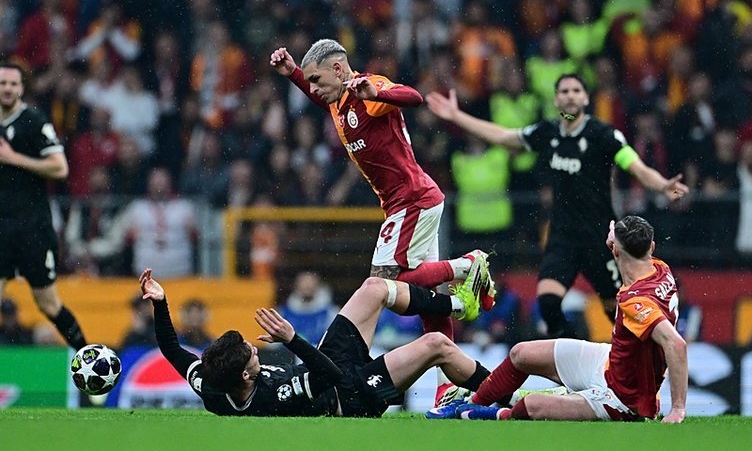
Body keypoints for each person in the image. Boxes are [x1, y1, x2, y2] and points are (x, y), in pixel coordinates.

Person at [271, 39, 494, 403]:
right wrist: (293, 72)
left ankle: (467, 265)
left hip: (411, 201)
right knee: (423, 299)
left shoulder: (367, 89)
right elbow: (320, 95)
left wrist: (377, 92)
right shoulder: (337, 101)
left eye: (316, 79)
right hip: (408, 203)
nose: (314, 89)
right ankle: (447, 387)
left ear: (338, 70)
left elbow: (414, 97)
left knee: (383, 287)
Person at [426, 75, 689, 339]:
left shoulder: (603, 135)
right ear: (555, 100)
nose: (570, 95)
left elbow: (636, 167)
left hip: (601, 239)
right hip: (562, 238)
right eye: (564, 91)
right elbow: (504, 136)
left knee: (618, 312)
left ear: (585, 98)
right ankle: (574, 354)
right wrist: (457, 116)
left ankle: (638, 355)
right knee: (548, 305)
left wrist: (663, 186)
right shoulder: (548, 132)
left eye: (576, 90)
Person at [429, 215, 688, 423]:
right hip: (610, 363)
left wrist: (677, 409)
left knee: (532, 405)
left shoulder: (637, 301)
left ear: (616, 250)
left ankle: (494, 413)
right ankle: (470, 404)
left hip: (622, 398)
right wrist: (616, 236)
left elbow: (676, 343)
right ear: (651, 247)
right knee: (521, 353)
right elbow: (628, 249)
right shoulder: (659, 267)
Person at [138, 265, 490, 417]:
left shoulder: (211, 382)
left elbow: (171, 349)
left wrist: (160, 302)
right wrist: (291, 338)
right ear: (245, 375)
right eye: (251, 355)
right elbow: (332, 376)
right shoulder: (274, 396)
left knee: (373, 288)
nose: (255, 350)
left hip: (324, 361)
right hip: (351, 395)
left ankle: (460, 305)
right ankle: (503, 394)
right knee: (436, 346)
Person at [0, 62, 88, 351]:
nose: (7, 89)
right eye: (2, 83)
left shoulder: (34, 122)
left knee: (48, 304)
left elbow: (60, 168)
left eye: (13, 84)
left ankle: (89, 360)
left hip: (31, 228)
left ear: (22, 88)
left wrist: (14, 159)